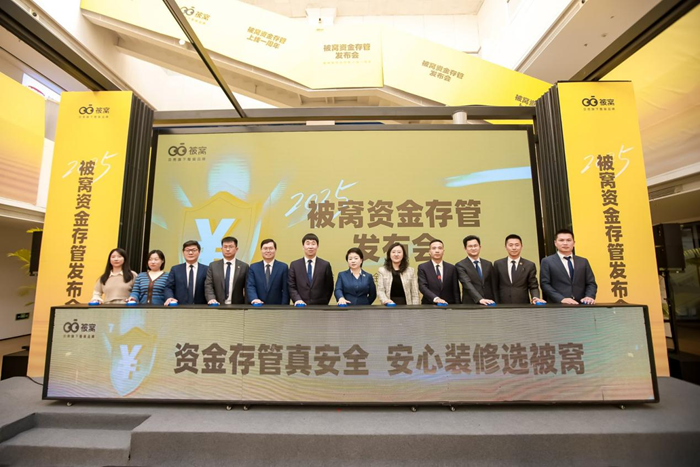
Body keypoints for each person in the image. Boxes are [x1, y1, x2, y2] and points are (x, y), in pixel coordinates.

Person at [540, 229, 597, 305]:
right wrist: (561, 299)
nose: (565, 243)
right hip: (558, 305)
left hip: (581, 304)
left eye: (568, 240)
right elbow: (545, 284)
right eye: (561, 240)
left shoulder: (583, 261)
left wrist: (589, 296)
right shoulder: (547, 261)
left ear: (574, 243)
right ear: (555, 243)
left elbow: (591, 283)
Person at [493, 234, 545, 305]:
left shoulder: (529, 265)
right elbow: (494, 286)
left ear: (521, 246)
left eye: (517, 245)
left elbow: (533, 286)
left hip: (523, 304)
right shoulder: (498, 264)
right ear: (506, 247)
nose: (514, 248)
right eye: (510, 245)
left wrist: (535, 297)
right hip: (502, 304)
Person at [288, 233, 334, 305]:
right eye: (308, 243)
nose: (310, 246)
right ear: (303, 246)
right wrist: (297, 299)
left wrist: (324, 302)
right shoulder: (295, 265)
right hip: (300, 305)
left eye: (313, 244)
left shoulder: (325, 265)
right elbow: (291, 286)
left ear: (317, 246)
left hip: (320, 306)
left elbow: (329, 287)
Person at [205, 236, 250, 305]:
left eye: (231, 247)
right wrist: (211, 298)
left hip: (238, 306)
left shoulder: (244, 266)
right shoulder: (213, 266)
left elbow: (248, 287)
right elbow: (208, 285)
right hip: (216, 304)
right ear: (221, 249)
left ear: (236, 249)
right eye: (225, 247)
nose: (228, 249)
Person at [164, 240, 209, 305]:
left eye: (194, 250)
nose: (190, 253)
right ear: (183, 252)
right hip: (179, 307)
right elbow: (168, 287)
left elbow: (210, 288)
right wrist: (170, 297)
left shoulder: (206, 269)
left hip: (201, 307)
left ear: (199, 252)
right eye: (187, 250)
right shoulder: (175, 269)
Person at [456, 235, 497, 306]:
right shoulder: (460, 265)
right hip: (470, 303)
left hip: (489, 302)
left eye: (475, 246)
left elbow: (493, 285)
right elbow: (467, 284)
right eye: (470, 246)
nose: (473, 248)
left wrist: (496, 300)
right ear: (465, 248)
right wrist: (480, 299)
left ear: (480, 247)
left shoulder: (488, 264)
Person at [246, 238, 289, 305]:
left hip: (277, 306)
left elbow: (285, 290)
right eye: (265, 248)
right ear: (261, 250)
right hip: (257, 305)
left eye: (271, 248)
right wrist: (254, 299)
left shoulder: (283, 267)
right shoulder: (253, 267)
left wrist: (284, 306)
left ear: (275, 250)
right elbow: (250, 285)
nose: (268, 251)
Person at [417, 239, 460, 305]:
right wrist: (436, 298)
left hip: (449, 305)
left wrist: (458, 306)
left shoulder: (451, 268)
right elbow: (422, 287)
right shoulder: (423, 267)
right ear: (429, 252)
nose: (437, 251)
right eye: (434, 248)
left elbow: (456, 290)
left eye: (440, 248)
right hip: (429, 305)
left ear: (443, 251)